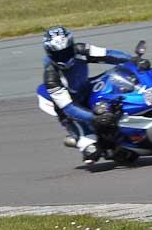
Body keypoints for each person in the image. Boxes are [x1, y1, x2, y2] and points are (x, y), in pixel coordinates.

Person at [40, 26, 139, 163]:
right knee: (92, 152)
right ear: (50, 53)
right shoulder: (51, 77)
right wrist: (94, 118)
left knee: (118, 89)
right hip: (72, 109)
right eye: (58, 55)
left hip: (87, 89)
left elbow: (108, 54)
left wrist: (132, 60)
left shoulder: (80, 49)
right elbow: (68, 107)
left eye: (66, 52)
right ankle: (80, 138)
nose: (63, 57)